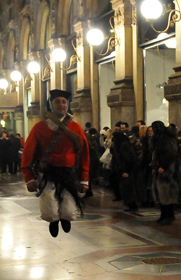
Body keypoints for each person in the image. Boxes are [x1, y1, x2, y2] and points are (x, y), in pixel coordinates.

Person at [21, 89, 90, 237]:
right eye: (57, 101)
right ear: (51, 105)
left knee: (69, 210)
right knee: (49, 209)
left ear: (68, 104)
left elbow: (84, 154)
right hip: (46, 173)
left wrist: (84, 179)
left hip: (69, 173)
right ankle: (53, 221)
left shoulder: (75, 127)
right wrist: (29, 178)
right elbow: (28, 153)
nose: (61, 105)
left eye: (64, 102)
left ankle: (65, 219)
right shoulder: (39, 127)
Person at [150, 121, 179, 225]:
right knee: (160, 193)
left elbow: (171, 154)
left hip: (168, 171)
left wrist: (163, 166)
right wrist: (154, 166)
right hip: (159, 168)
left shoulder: (166, 139)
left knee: (167, 193)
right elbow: (155, 154)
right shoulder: (156, 138)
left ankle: (169, 215)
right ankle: (163, 214)